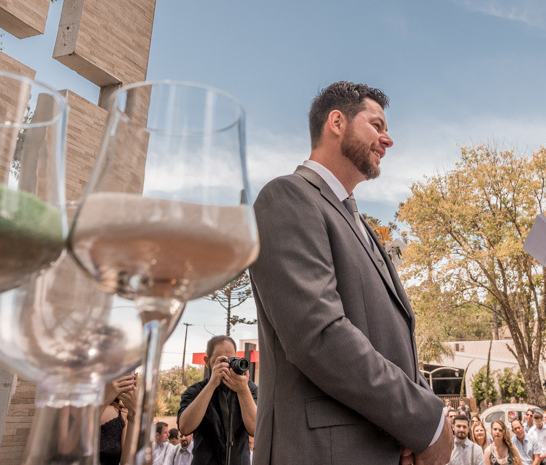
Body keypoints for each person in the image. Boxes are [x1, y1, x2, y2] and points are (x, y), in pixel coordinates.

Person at [250, 82, 451, 465]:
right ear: (337, 122)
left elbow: (397, 347)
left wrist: (426, 416)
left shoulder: (366, 229)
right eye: (376, 125)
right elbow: (321, 336)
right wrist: (426, 423)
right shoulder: (287, 197)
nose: (387, 139)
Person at [178, 336, 257, 465]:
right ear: (207, 361)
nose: (226, 366)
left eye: (230, 360)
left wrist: (243, 391)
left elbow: (255, 429)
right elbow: (185, 427)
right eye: (220, 361)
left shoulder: (248, 389)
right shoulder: (196, 391)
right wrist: (212, 385)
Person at [98, 373, 138, 465]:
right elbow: (70, 452)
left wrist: (134, 412)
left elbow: (128, 462)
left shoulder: (123, 414)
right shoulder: (70, 407)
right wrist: (103, 402)